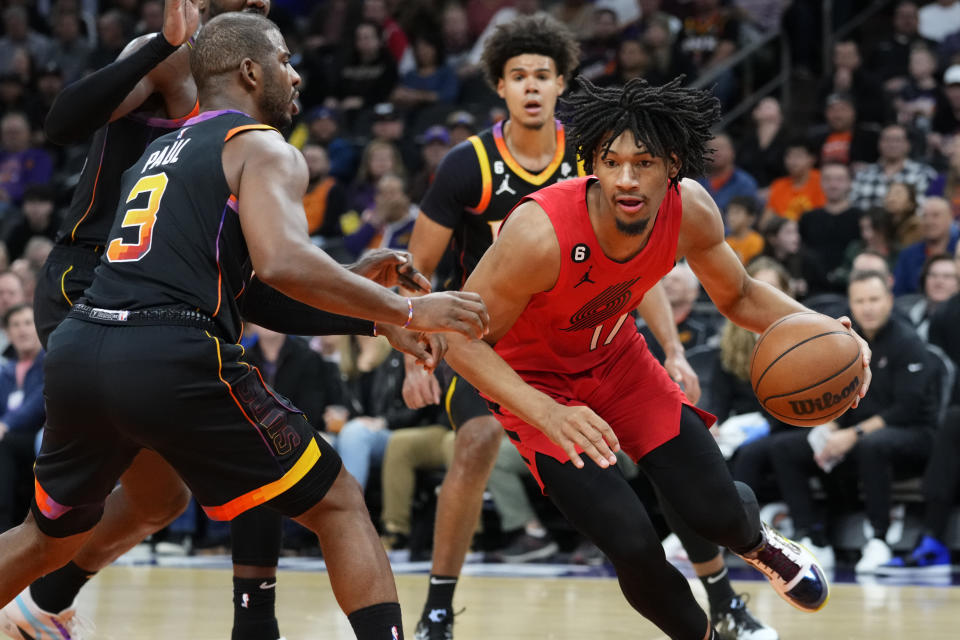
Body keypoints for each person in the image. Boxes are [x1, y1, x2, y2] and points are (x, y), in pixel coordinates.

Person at [0, 12, 489, 640]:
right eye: (284, 59)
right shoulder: (262, 148)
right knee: (337, 502)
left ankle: (55, 609)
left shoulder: (156, 152)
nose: (294, 71)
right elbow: (283, 262)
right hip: (168, 351)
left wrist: (365, 299)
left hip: (81, 344)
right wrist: (409, 311)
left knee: (48, 537)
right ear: (252, 71)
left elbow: (243, 280)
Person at [440, 75, 868, 640]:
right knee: (631, 541)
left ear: (672, 164)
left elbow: (738, 294)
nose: (625, 179)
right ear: (591, 161)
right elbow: (458, 339)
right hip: (535, 387)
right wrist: (546, 412)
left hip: (620, 364)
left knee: (713, 511)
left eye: (642, 162)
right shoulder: (539, 233)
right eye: (611, 161)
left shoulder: (688, 208)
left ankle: (758, 542)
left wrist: (825, 329)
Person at [403, 15, 771, 640]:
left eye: (543, 75)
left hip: (598, 338)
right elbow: (418, 268)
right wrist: (414, 356)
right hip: (494, 339)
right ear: (500, 86)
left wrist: (675, 348)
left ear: (562, 83)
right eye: (519, 76)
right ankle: (440, 603)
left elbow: (635, 271)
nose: (532, 87)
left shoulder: (615, 150)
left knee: (677, 455)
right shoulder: (471, 166)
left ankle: (724, 593)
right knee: (475, 445)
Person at [770, 270, 935, 573]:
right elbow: (836, 392)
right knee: (785, 447)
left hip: (912, 435)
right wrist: (830, 425)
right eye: (860, 301)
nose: (867, 307)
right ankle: (810, 536)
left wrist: (854, 433)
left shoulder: (908, 341)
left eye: (874, 299)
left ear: (889, 300)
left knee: (873, 445)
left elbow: (907, 408)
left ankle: (879, 539)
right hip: (855, 431)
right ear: (851, 304)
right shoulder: (844, 339)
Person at [0, 305, 45, 533]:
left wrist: (6, 424)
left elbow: (38, 402)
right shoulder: (5, 370)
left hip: (44, 434)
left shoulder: (49, 361)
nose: (22, 330)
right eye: (16, 325)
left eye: (28, 323)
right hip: (10, 438)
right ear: (7, 332)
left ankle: (3, 527)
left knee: (4, 446)